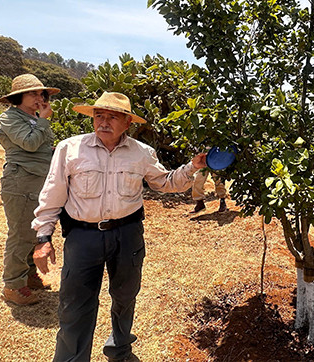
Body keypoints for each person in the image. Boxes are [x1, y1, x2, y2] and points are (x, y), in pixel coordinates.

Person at [31, 91, 207, 362]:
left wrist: (192, 167)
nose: (103, 122)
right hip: (82, 237)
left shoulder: (142, 153)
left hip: (127, 235)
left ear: (128, 123)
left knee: (125, 297)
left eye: (112, 117)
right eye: (98, 116)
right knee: (76, 305)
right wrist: (44, 237)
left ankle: (120, 350)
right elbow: (52, 194)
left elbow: (166, 183)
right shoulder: (70, 148)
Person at [0, 73, 60, 306]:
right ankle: (13, 285)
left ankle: (28, 275)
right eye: (33, 93)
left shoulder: (32, 118)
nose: (39, 97)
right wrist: (44, 119)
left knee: (35, 231)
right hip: (21, 181)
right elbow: (30, 144)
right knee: (21, 234)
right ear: (18, 97)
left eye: (41, 93)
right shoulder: (9, 118)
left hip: (38, 181)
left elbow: (41, 148)